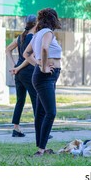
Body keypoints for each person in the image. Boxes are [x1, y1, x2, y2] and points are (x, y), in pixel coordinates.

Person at [24, 8, 62, 156]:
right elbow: (45, 49)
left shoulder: (37, 34)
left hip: (43, 75)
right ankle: (41, 149)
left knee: (40, 112)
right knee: (50, 112)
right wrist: (44, 66)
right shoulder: (47, 32)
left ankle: (41, 148)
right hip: (46, 76)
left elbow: (26, 54)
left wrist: (40, 64)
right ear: (53, 19)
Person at [6, 15, 37, 137]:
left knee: (20, 100)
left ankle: (16, 128)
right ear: (36, 24)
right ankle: (40, 129)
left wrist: (14, 66)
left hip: (18, 73)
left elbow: (7, 49)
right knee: (36, 99)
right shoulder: (33, 38)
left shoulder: (20, 37)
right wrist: (17, 67)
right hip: (28, 71)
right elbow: (29, 57)